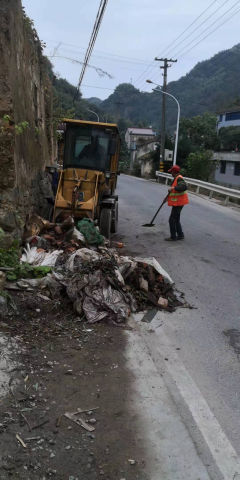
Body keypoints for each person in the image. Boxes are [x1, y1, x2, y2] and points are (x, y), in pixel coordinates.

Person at [164, 165, 189, 241]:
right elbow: (174, 192)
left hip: (179, 203)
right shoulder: (176, 178)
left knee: (172, 220)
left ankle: (173, 236)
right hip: (178, 202)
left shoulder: (179, 178)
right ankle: (180, 235)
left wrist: (173, 188)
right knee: (176, 219)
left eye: (171, 171)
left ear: (174, 172)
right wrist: (167, 198)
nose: (171, 173)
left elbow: (184, 187)